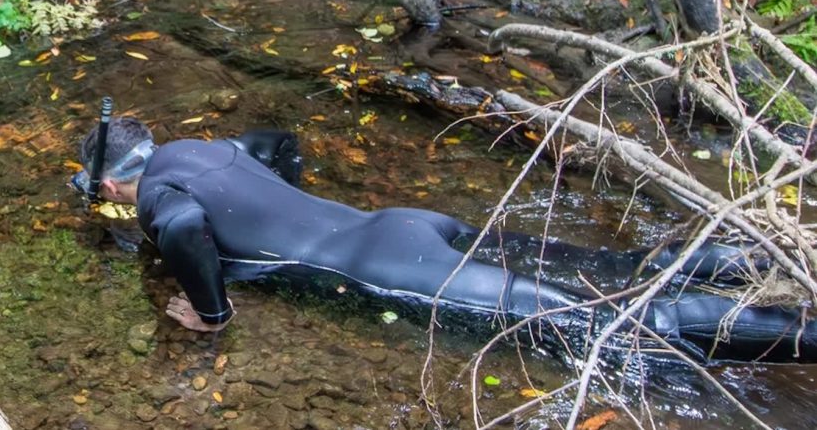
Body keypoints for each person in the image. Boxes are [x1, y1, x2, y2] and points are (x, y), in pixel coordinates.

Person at [73, 115, 817, 363]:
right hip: (410, 224)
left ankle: (801, 334)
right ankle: (764, 260)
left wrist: (212, 313)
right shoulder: (203, 147)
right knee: (616, 268)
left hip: (393, 267)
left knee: (609, 324)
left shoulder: (160, 196)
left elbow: (183, 229)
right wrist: (288, 201)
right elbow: (278, 142)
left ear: (108, 184)